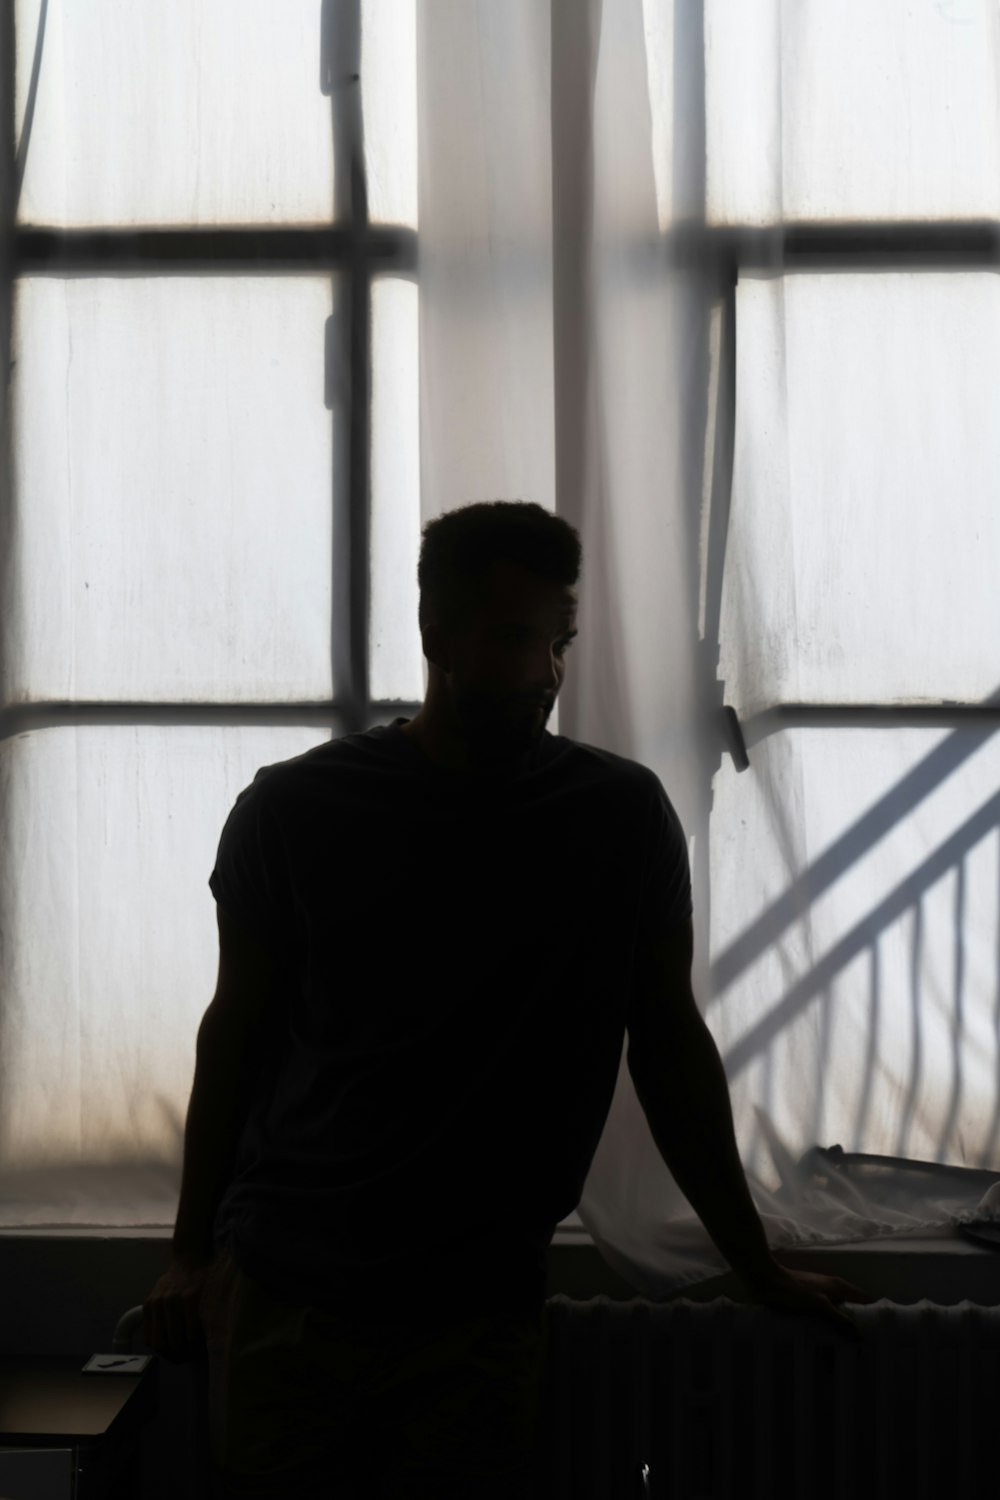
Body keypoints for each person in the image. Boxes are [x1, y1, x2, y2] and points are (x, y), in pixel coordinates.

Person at [142, 500, 875, 1498]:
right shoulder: (297, 810)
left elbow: (668, 1047)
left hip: (477, 1305)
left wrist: (751, 1261)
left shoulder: (616, 817)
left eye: (559, 641)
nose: (547, 674)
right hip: (292, 1288)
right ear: (437, 637)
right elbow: (235, 1037)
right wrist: (189, 1254)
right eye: (515, 639)